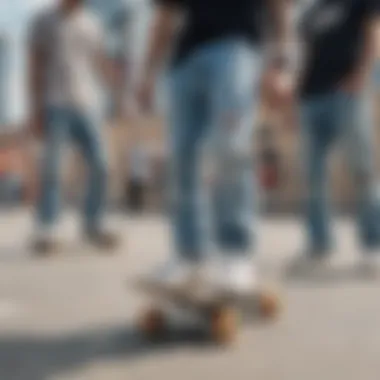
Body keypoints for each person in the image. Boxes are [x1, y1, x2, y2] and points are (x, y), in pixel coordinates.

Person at [136, 0, 294, 292]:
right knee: (182, 158)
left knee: (230, 146)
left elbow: (280, 6)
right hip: (185, 60)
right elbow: (164, 17)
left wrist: (281, 64)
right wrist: (147, 75)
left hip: (237, 49)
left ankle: (235, 252)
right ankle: (189, 254)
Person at [291, 0, 380, 271]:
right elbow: (305, 54)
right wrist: (296, 91)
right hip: (311, 98)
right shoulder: (310, 12)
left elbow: (373, 32)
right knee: (313, 175)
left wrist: (363, 73)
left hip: (347, 93)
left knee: (361, 169)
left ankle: (373, 244)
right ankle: (320, 246)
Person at [29, 0, 119, 254]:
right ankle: (48, 227)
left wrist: (116, 94)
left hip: (89, 105)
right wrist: (36, 109)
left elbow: (100, 61)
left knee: (101, 163)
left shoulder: (93, 23)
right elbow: (34, 64)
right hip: (55, 103)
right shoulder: (44, 20)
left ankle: (94, 222)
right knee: (53, 168)